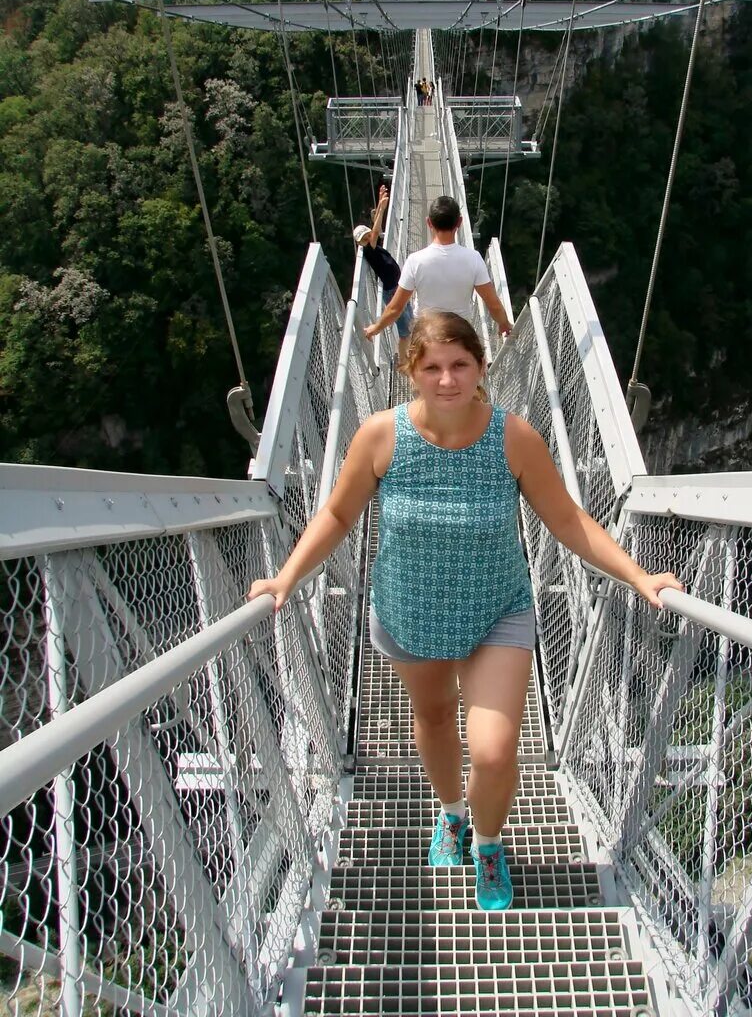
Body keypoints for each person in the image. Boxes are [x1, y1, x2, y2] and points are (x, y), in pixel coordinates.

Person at [248, 311, 683, 911]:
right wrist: (286, 578)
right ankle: (451, 814)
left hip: (495, 611)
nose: (447, 379)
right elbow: (337, 516)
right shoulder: (380, 435)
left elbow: (567, 519)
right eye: (432, 367)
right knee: (432, 719)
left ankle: (486, 843)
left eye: (459, 365)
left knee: (495, 750)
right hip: (410, 611)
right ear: (410, 372)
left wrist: (638, 577)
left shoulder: (514, 437)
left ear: (481, 367)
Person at [363, 195, 513, 343]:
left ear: (429, 222)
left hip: (426, 337)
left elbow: (395, 308)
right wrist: (504, 324)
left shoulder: (415, 261)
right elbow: (492, 303)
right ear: (459, 222)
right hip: (460, 336)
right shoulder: (474, 259)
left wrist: (376, 328)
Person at [353, 183, 412, 365]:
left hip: (398, 288)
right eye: (364, 237)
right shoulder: (369, 249)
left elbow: (374, 229)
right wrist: (382, 210)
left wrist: (380, 204)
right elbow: (376, 230)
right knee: (404, 330)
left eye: (367, 234)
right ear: (360, 242)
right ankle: (403, 362)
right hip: (393, 291)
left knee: (409, 323)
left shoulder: (371, 248)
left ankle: (407, 356)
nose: (368, 237)